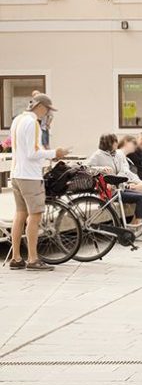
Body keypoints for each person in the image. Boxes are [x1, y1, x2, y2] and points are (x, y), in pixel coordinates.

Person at [8, 93, 70, 271]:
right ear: (41, 107)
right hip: (30, 176)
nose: (48, 114)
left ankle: (16, 258)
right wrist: (55, 153)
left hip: (16, 173)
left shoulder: (17, 120)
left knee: (20, 215)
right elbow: (32, 153)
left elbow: (24, 150)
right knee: (34, 216)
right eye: (48, 110)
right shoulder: (33, 123)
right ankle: (33, 259)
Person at [87, 135, 142, 239]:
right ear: (109, 142)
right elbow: (87, 168)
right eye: (115, 141)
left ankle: (134, 225)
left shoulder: (116, 154)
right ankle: (138, 229)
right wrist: (101, 168)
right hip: (109, 191)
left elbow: (123, 170)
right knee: (141, 197)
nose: (117, 144)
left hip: (120, 187)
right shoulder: (98, 155)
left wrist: (129, 182)